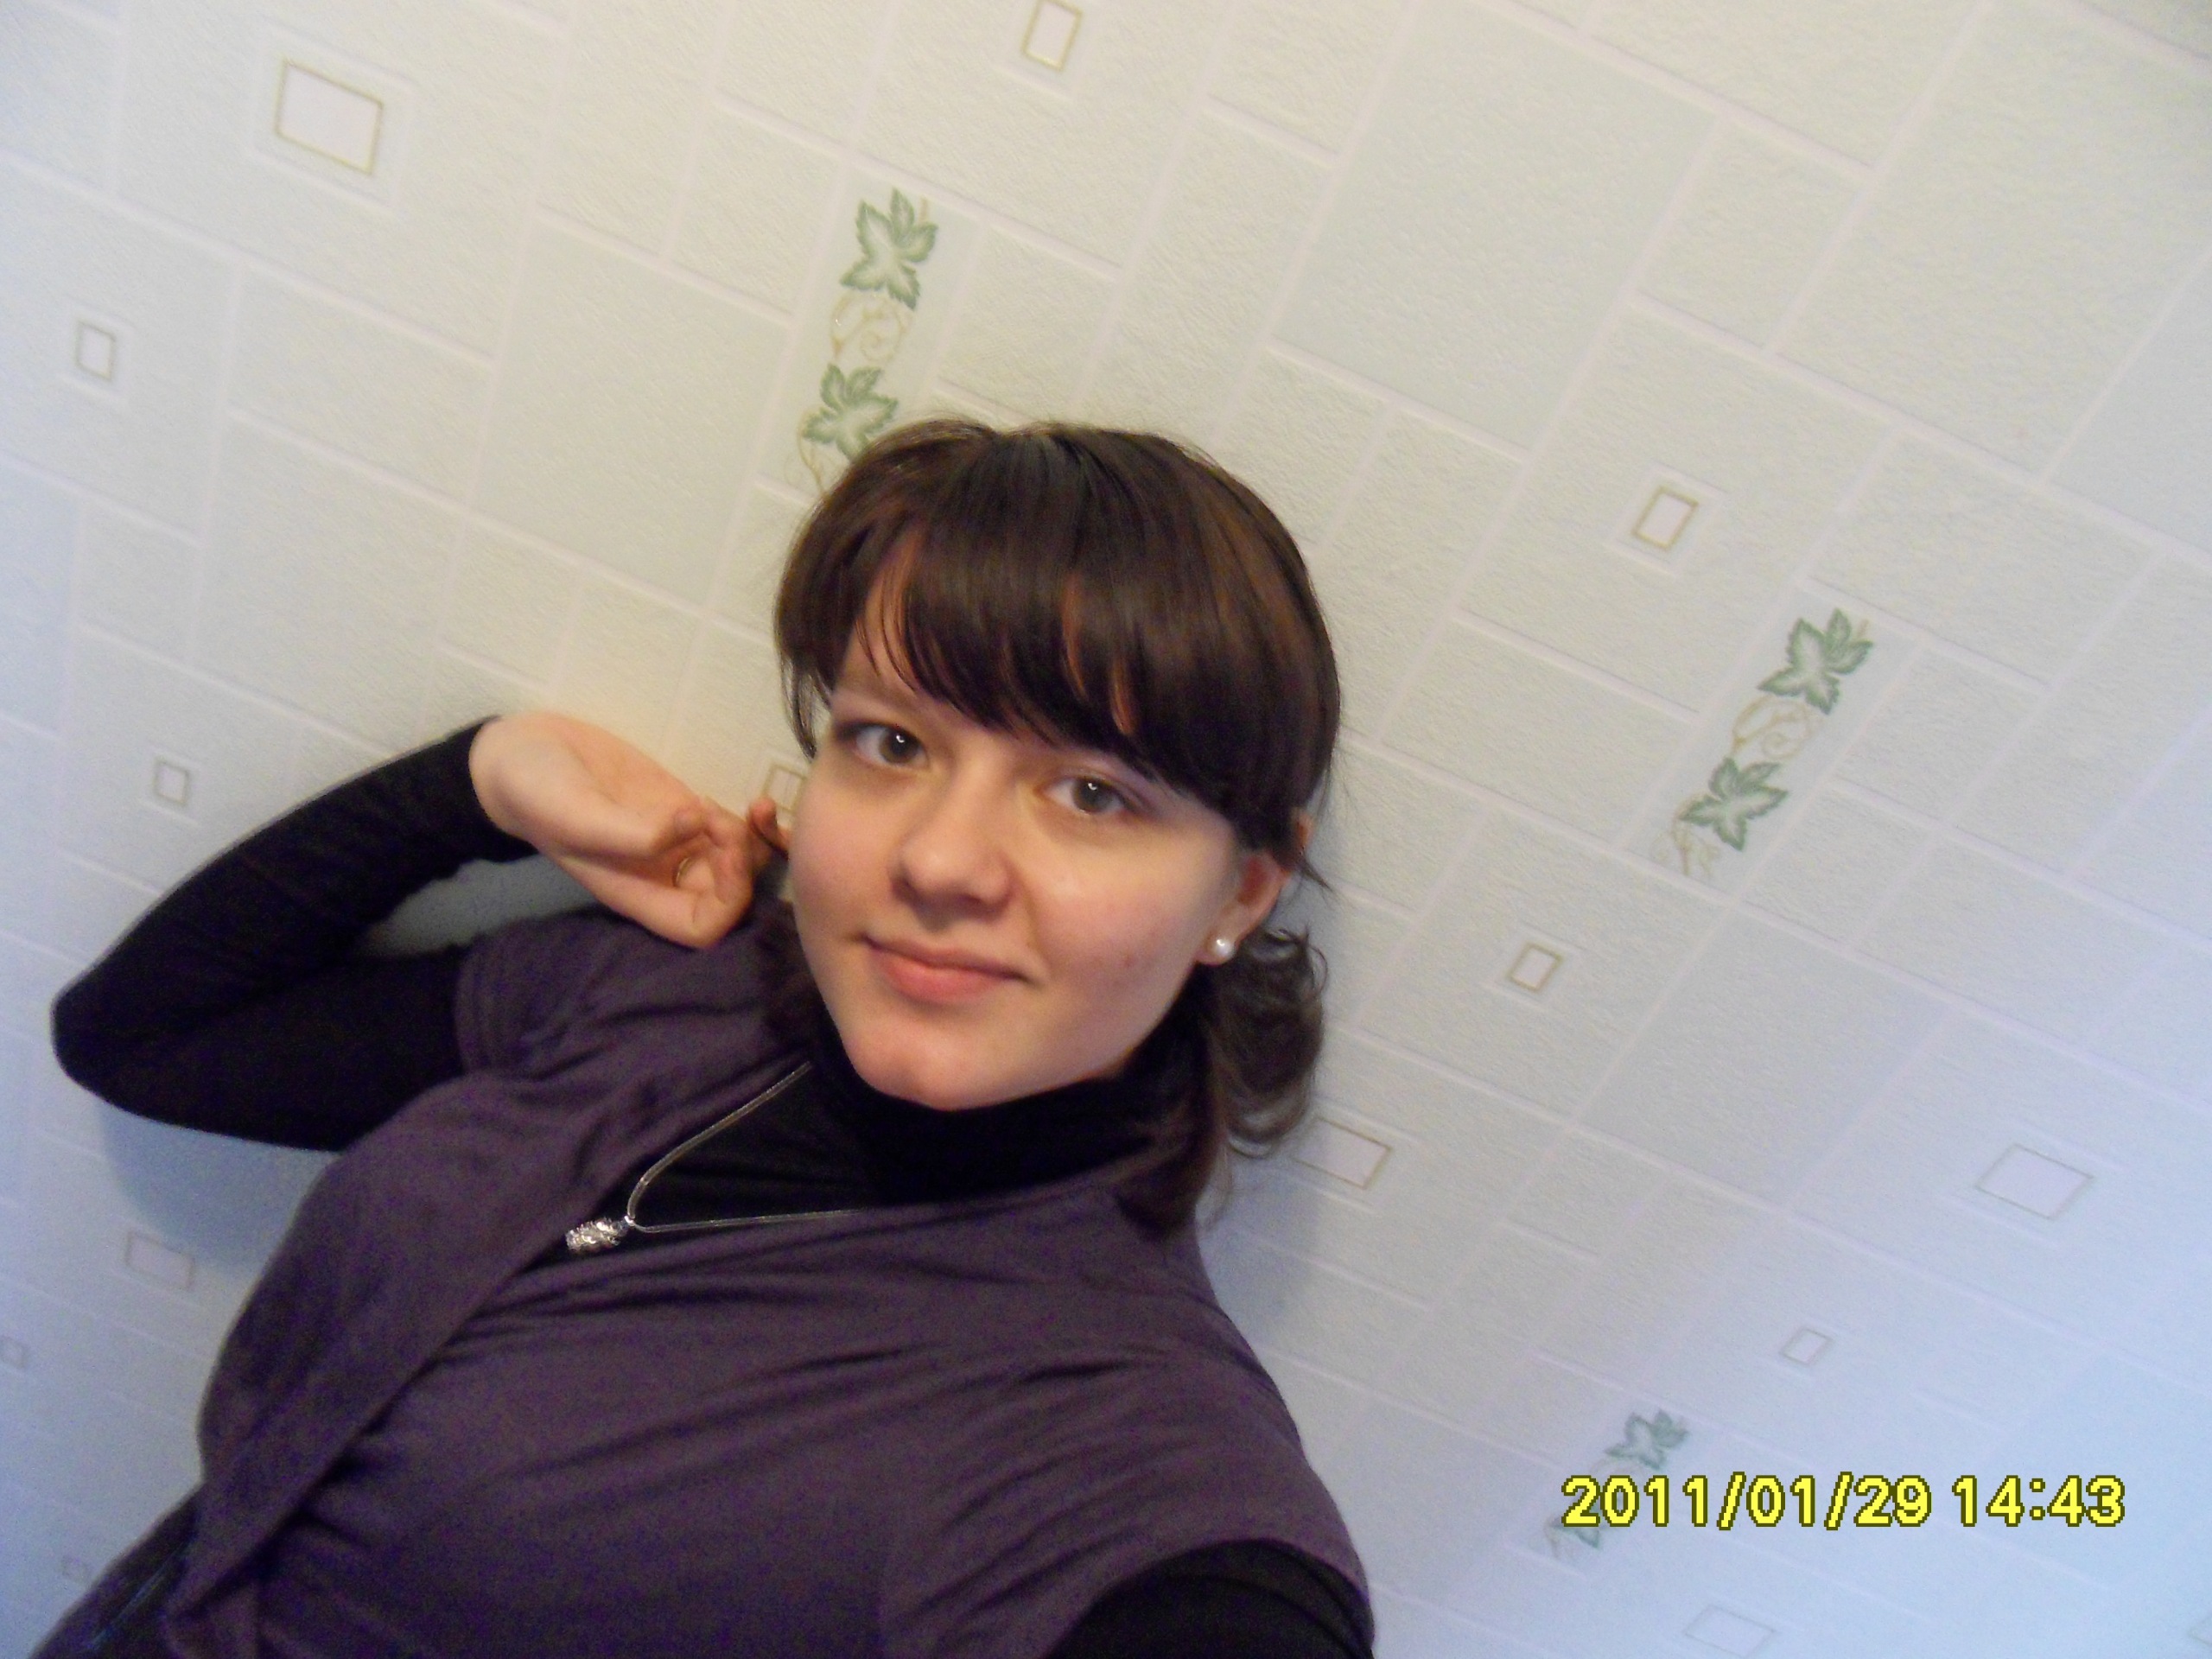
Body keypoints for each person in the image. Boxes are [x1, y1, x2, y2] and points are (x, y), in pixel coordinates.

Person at [40, 421, 1370, 1659]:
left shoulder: (1128, 1448)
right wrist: (481, 783)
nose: (940, 860)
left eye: (1090, 792)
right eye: (891, 741)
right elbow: (146, 1039)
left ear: (1242, 891)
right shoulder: (671, 991)